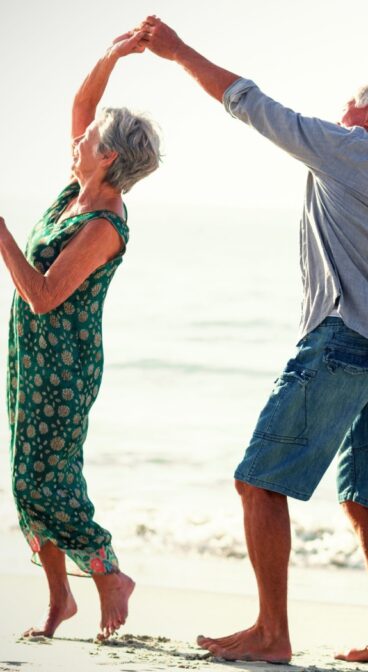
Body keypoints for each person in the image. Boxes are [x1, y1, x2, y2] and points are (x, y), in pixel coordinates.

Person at [140, 16, 368, 667]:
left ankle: (270, 633)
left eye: (348, 105)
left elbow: (251, 104)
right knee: (367, 502)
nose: (339, 113)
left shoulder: (350, 148)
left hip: (346, 343)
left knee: (259, 484)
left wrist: (176, 51)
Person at [0, 30, 161, 641]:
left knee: (49, 479)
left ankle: (108, 572)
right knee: (25, 473)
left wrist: (2, 234)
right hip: (28, 356)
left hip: (63, 365)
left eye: (89, 142)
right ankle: (60, 600)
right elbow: (80, 107)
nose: (78, 141)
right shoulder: (77, 188)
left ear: (110, 159)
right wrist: (113, 57)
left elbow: (42, 297)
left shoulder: (104, 224)